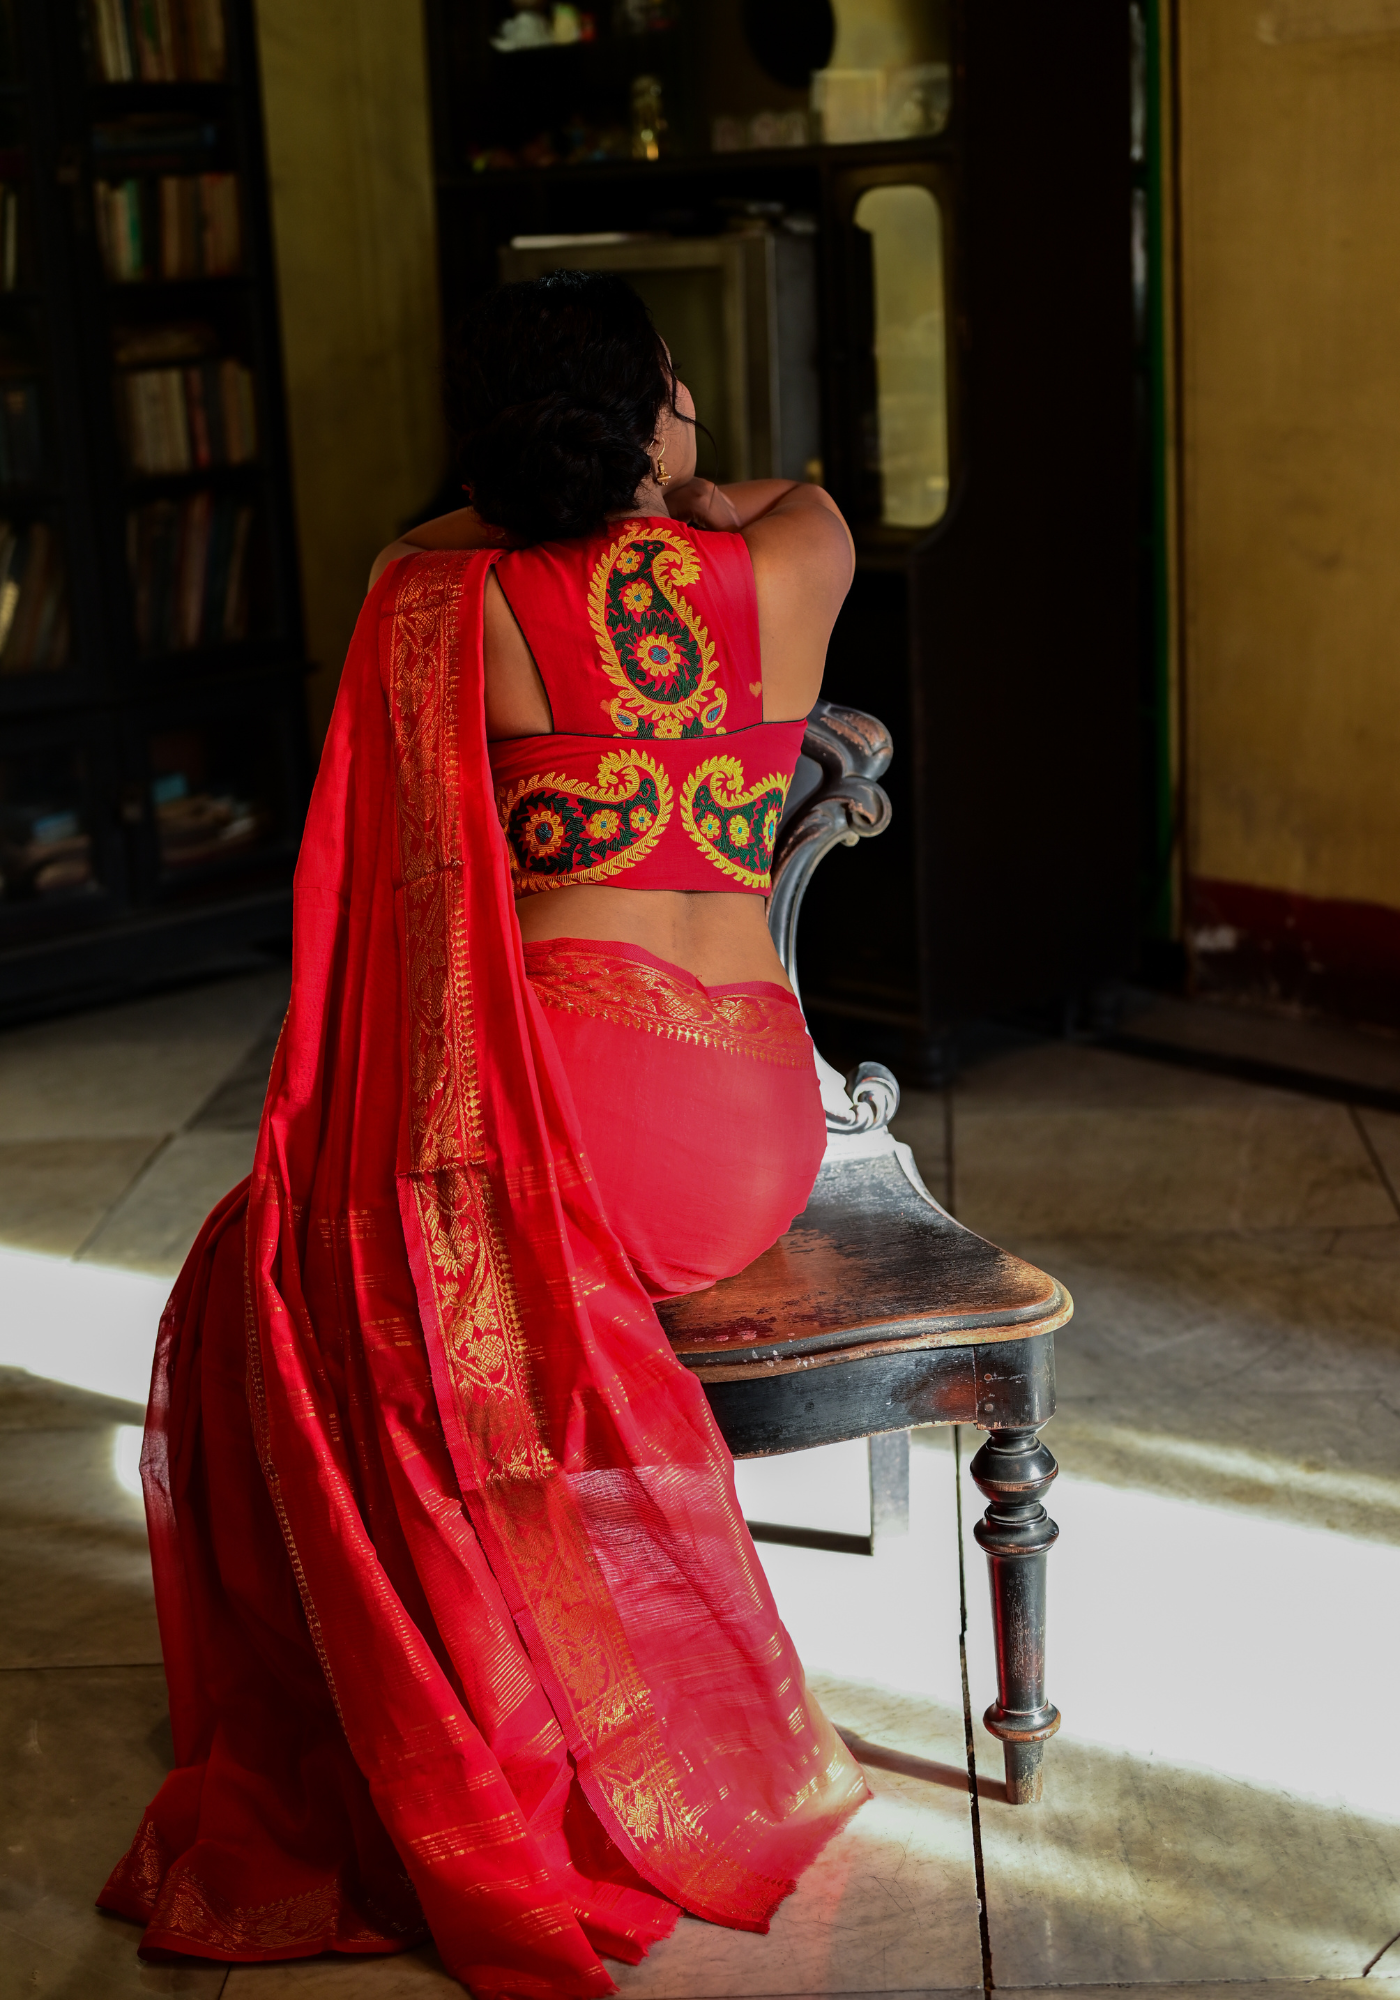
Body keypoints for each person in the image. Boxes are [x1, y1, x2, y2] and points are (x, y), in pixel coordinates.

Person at [101, 271, 867, 1998]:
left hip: (567, 1128)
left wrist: (545, 495)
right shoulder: (794, 558)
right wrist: (678, 485)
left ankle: (460, 1685)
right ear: (657, 419)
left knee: (270, 1278)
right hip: (751, 1129)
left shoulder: (438, 594)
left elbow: (386, 819)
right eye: (673, 389)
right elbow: (777, 487)